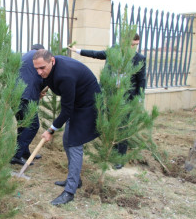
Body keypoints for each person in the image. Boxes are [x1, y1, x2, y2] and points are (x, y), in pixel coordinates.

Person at [33, 49, 101, 205]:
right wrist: (43, 88)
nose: (39, 72)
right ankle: (75, 180)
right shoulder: (53, 69)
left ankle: (70, 191)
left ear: (52, 61)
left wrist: (50, 130)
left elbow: (67, 110)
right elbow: (50, 79)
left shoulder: (65, 75)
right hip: (77, 102)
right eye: (36, 68)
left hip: (88, 106)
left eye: (42, 68)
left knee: (74, 144)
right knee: (67, 141)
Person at [70, 33, 146, 169]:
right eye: (129, 42)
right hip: (111, 96)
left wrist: (139, 98)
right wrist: (78, 51)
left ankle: (120, 158)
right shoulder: (114, 51)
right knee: (111, 123)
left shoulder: (139, 59)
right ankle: (109, 151)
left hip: (127, 99)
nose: (131, 46)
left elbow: (141, 80)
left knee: (123, 127)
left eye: (134, 43)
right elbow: (97, 54)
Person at [10, 44, 46, 166]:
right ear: (41, 50)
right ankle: (17, 155)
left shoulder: (24, 57)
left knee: (22, 125)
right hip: (26, 96)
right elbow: (44, 75)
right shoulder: (38, 56)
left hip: (14, 96)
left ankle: (24, 153)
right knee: (33, 125)